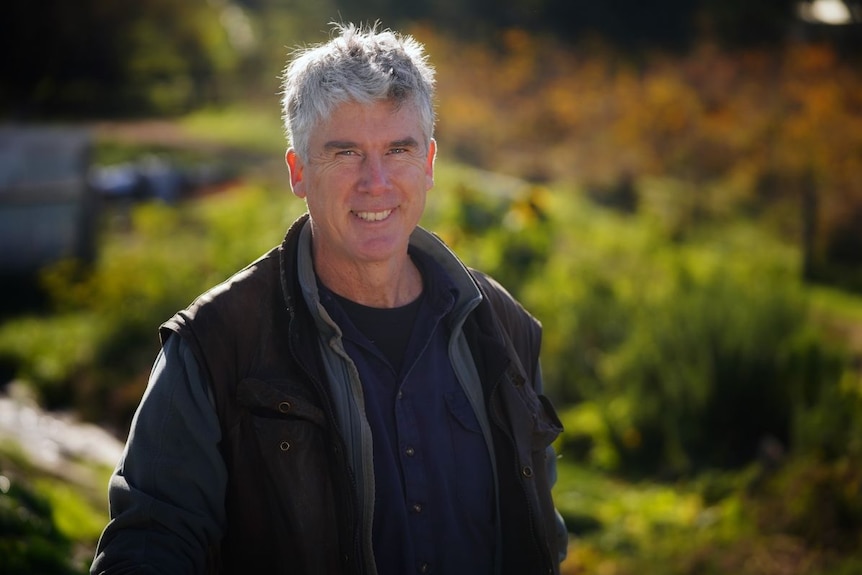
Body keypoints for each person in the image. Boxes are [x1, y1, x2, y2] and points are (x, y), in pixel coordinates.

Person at [91, 22, 567, 575]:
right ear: (297, 171)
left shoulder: (501, 327)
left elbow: (540, 535)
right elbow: (149, 546)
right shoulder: (216, 344)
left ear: (430, 162)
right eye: (345, 153)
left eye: (398, 150)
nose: (376, 182)